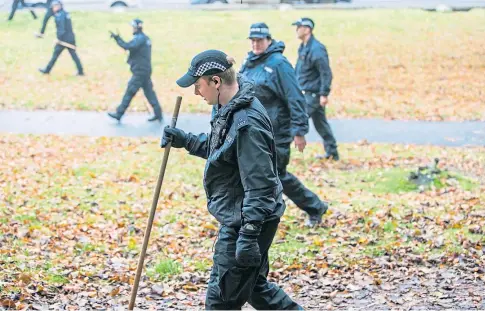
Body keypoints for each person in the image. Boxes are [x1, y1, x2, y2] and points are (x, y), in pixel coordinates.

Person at [161, 50, 303, 310]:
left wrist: (248, 236)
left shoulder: (246, 123)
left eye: (198, 85)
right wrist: (186, 140)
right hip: (242, 213)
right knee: (254, 288)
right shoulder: (227, 107)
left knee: (222, 300)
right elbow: (224, 151)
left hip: (249, 220)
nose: (196, 92)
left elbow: (261, 184)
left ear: (216, 81)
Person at [240, 23, 328, 227]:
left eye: (260, 40)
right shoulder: (249, 61)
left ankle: (314, 206)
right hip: (254, 131)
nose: (255, 43)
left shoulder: (279, 64)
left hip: (276, 132)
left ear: (269, 40)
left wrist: (299, 131)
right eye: (252, 40)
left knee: (277, 176)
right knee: (257, 175)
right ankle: (253, 217)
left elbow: (295, 97)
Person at [293, 17, 339, 160]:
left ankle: (278, 153)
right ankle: (332, 153)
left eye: (298, 27)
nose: (296, 30)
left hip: (312, 95)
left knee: (296, 121)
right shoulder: (304, 47)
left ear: (307, 29)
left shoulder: (317, 49)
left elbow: (326, 73)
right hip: (305, 92)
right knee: (321, 124)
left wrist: (324, 94)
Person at [107, 18, 163, 122]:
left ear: (137, 27)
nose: (132, 29)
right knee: (149, 92)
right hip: (144, 70)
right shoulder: (145, 38)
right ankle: (158, 114)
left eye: (133, 27)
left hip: (140, 72)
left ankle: (119, 113)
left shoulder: (140, 38)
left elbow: (128, 46)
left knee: (130, 91)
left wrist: (117, 39)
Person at [38, 0, 84, 76]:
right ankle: (80, 71)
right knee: (59, 55)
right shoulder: (64, 13)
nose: (53, 9)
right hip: (69, 38)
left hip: (65, 40)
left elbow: (62, 29)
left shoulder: (60, 16)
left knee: (64, 55)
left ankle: (47, 70)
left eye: (54, 7)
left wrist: (59, 39)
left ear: (58, 6)